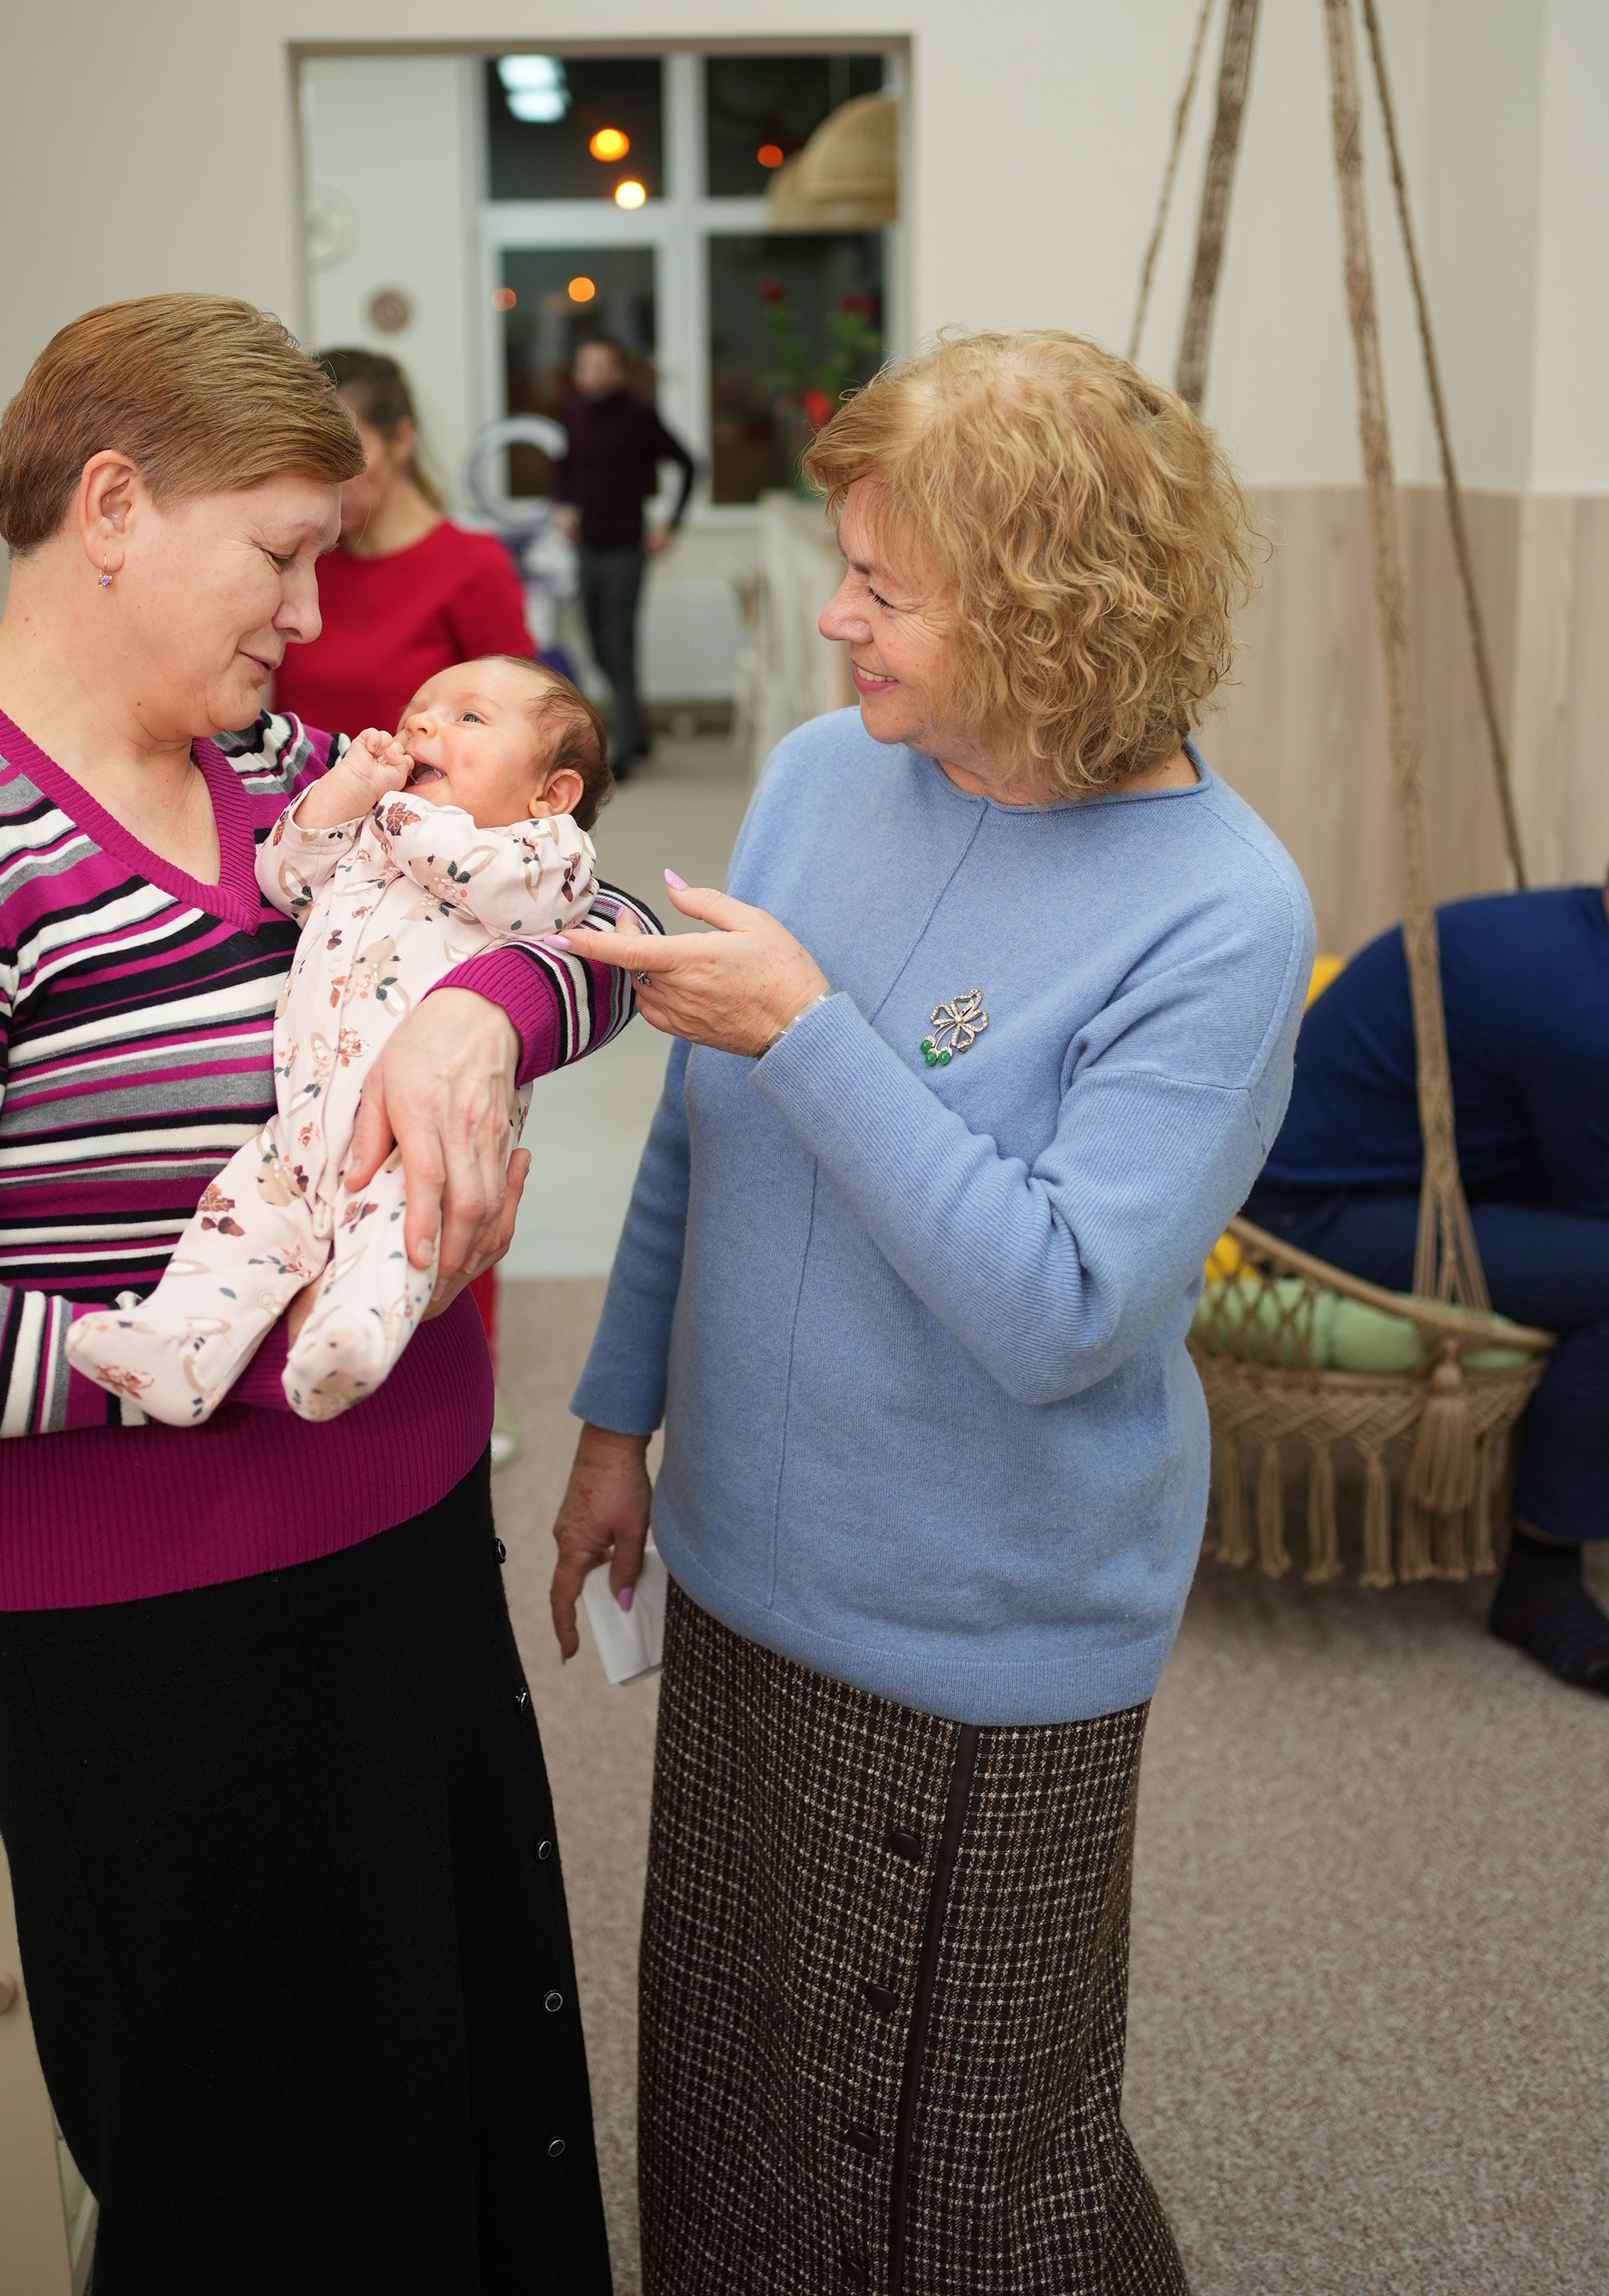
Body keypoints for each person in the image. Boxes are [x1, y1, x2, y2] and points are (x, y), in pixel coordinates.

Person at [0, 296, 653, 2295]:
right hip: (149, 1646)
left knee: (461, 2117)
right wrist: (243, 1343)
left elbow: (596, 909)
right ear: (112, 509)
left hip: (404, 1547)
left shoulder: (274, 765)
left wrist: (482, 1024)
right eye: (280, 555)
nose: (313, 616)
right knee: (261, 2183)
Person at [547, 330, 1314, 2296]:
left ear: (1049, 609)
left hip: (975, 1643)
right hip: (739, 1573)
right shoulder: (825, 775)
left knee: (962, 2185)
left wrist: (809, 1029)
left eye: (882, 586)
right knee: (732, 2114)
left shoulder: (1217, 912)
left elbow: (1060, 1309)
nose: (834, 619)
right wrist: (617, 1423)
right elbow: (698, 1138)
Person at [69, 657, 610, 1426]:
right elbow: (284, 877)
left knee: (394, 1234)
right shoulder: (375, 828)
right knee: (236, 1221)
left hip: (412, 1134)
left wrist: (394, 815)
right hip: (303, 1112)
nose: (422, 723)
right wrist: (345, 794)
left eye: (469, 718)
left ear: (550, 794)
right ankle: (179, 1347)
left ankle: (352, 1339)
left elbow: (504, 894)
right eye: (419, 708)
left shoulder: (548, 853)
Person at [1247, 870, 1609, 1694]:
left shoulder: (1573, 929)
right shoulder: (1583, 1011)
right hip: (1313, 1210)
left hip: (1435, 1171)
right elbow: (1597, 1197)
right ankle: (1542, 1578)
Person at [274, 346, 538, 1427]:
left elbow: (531, 736)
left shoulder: (467, 568)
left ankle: (457, 1375)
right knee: (332, 1131)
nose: (341, 492)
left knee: (441, 1133)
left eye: (357, 463)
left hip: (443, 889)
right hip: (334, 869)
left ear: (401, 440)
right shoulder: (309, 570)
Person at [273, 346, 535, 731]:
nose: (325, 476)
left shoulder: (473, 566)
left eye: (345, 452)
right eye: (310, 455)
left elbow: (520, 729)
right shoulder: (305, 562)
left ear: (400, 440)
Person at [552, 334, 696, 778]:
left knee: (619, 645)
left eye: (603, 366)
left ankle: (627, 744)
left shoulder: (639, 415)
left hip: (626, 550)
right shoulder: (572, 414)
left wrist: (670, 525)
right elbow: (565, 468)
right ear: (577, 373)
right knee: (597, 643)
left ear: (618, 371)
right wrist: (562, 506)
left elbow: (688, 464)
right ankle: (639, 732)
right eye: (586, 367)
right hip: (587, 547)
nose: (594, 375)